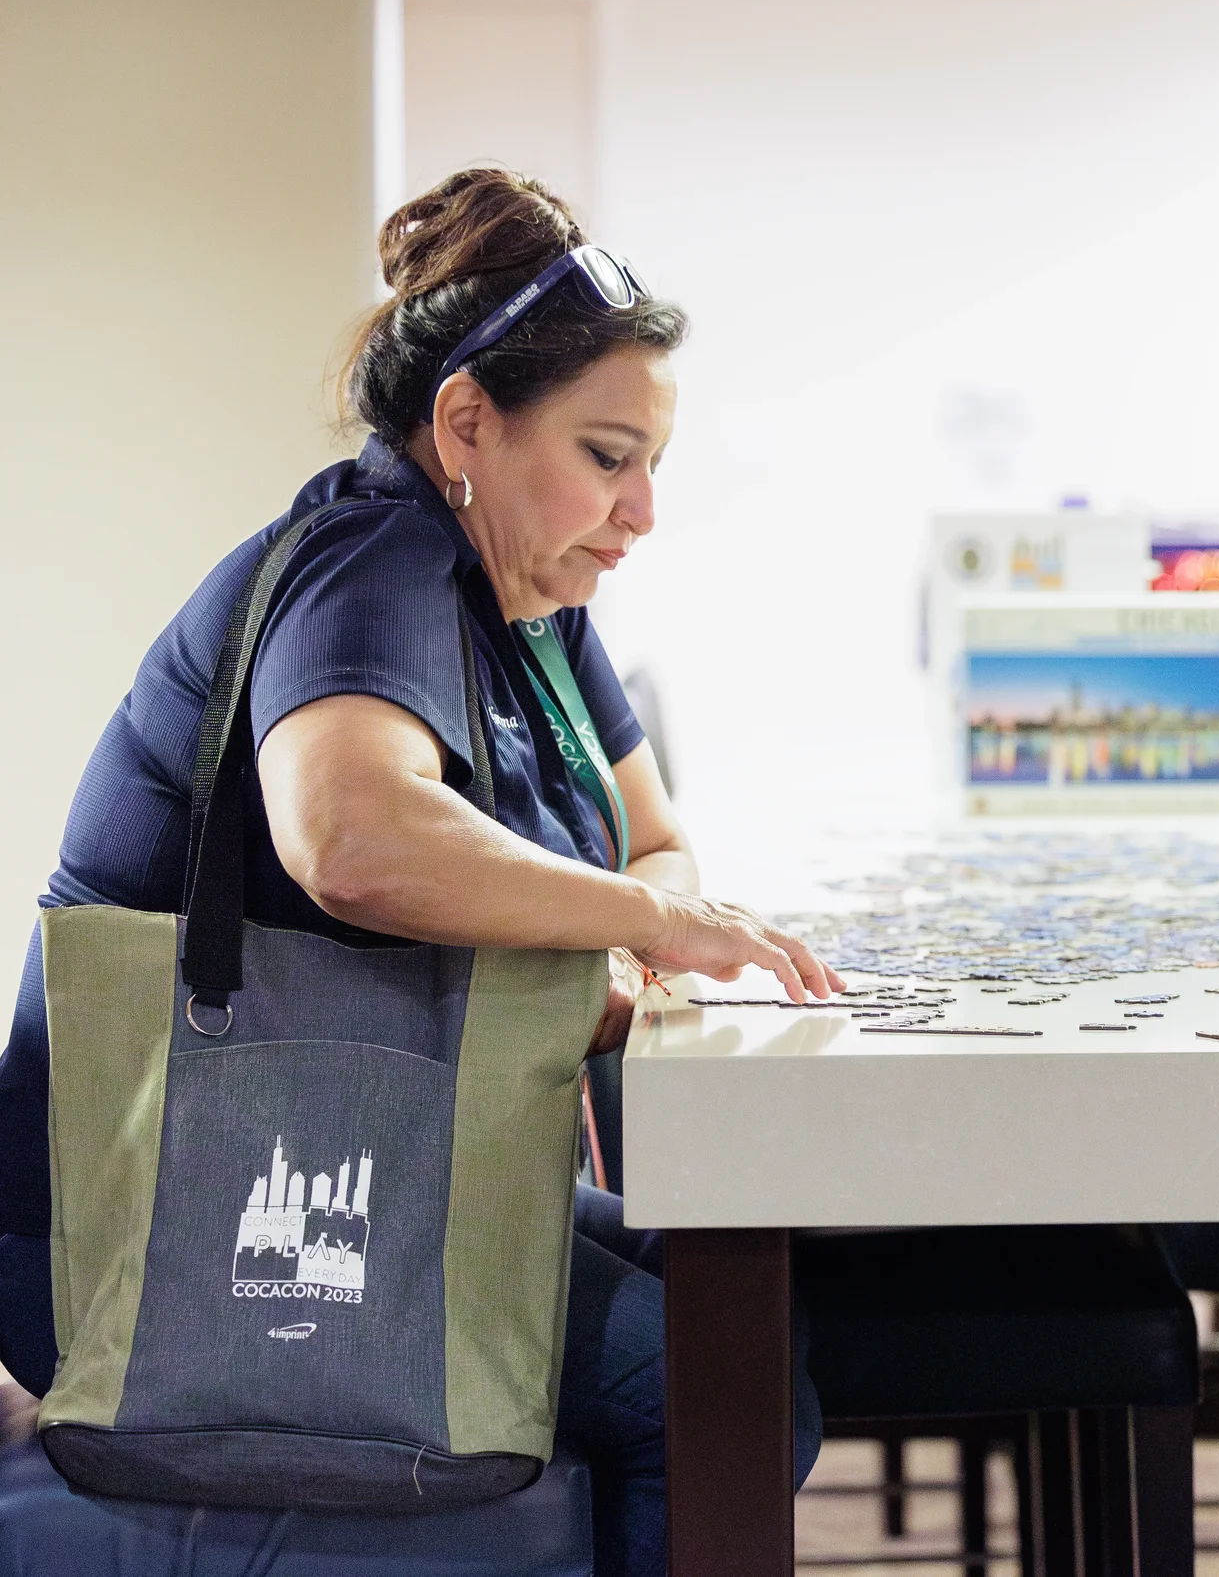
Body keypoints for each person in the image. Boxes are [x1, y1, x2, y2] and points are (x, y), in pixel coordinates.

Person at [0, 168, 835, 1576]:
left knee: (737, 1301)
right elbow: (354, 838)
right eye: (608, 454)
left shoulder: (537, 603)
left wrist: (640, 922)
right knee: (721, 1382)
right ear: (466, 422)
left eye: (651, 465)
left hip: (364, 1153)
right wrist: (645, 925)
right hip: (154, 1215)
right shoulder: (371, 557)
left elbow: (656, 835)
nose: (640, 511)